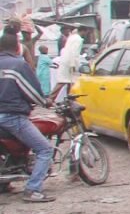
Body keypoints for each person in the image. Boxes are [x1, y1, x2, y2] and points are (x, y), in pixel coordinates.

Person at [0, 32, 54, 202]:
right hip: (12, 116)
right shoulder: (18, 65)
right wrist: (45, 101)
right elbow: (32, 92)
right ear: (18, 47)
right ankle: (33, 189)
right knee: (45, 149)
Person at [50, 25, 85, 102]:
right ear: (83, 31)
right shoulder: (78, 39)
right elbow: (74, 52)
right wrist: (73, 64)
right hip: (70, 62)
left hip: (65, 61)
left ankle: (70, 100)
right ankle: (51, 98)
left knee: (70, 82)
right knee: (64, 81)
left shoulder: (72, 37)